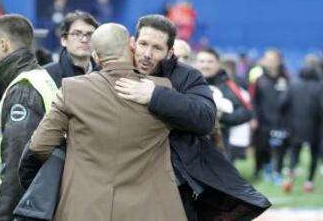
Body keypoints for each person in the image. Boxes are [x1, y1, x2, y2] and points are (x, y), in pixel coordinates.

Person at [115, 14, 271, 220]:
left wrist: (156, 96)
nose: (147, 54)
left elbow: (206, 118)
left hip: (176, 184)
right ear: (132, 43)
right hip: (125, 181)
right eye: (143, 44)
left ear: (170, 52)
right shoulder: (114, 71)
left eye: (157, 48)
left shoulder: (188, 75)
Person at [28, 23, 187, 221]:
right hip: (150, 209)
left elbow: (39, 146)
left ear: (96, 57)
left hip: (83, 207)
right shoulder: (163, 89)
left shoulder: (72, 90)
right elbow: (202, 123)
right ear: (131, 46)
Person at [0, 14, 58, 221]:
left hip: (8, 205)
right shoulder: (41, 78)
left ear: (4, 45)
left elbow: (16, 163)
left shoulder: (23, 90)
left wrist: (1, 216)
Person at [195, 49, 252, 161]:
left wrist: (222, 117)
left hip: (219, 147)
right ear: (196, 63)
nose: (205, 65)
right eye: (202, 61)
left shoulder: (228, 84)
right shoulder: (186, 82)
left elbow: (247, 112)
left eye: (210, 61)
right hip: (188, 146)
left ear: (218, 64)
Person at [252, 49, 289, 183]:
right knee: (262, 147)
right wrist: (254, 117)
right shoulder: (259, 80)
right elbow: (254, 101)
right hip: (263, 120)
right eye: (267, 59)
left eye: (272, 59)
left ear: (279, 61)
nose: (269, 62)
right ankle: (264, 168)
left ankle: (278, 172)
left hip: (281, 121)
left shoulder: (286, 78)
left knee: (281, 147)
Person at [45, 10, 100, 87]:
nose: (84, 40)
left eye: (90, 35)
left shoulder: (104, 74)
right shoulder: (46, 75)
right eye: (76, 34)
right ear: (64, 40)